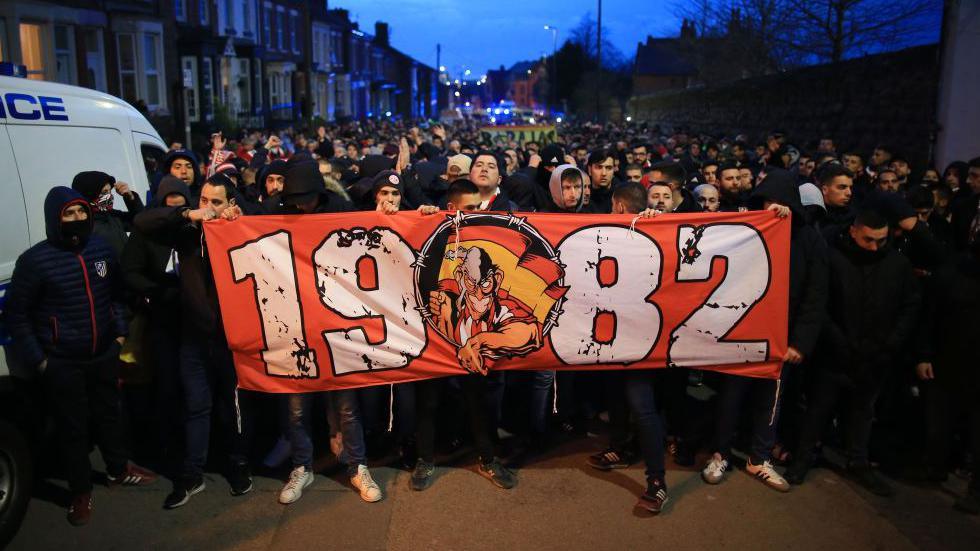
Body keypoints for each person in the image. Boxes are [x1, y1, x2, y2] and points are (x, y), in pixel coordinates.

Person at [4, 187, 157, 526]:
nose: (77, 219)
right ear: (54, 219)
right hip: (62, 362)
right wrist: (40, 361)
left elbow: (117, 295)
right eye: (68, 214)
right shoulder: (35, 261)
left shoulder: (100, 249)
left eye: (81, 212)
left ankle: (118, 470)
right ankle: (80, 490)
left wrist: (117, 334)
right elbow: (17, 316)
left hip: (103, 352)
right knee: (72, 430)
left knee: (110, 416)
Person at [701, 169, 825, 493]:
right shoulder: (743, 227)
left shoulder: (809, 239)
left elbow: (815, 294)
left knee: (771, 401)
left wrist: (800, 342)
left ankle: (759, 457)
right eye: (767, 200)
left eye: (780, 202)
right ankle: (721, 453)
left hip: (781, 337)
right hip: (741, 331)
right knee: (731, 396)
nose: (774, 206)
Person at [135, 173, 253, 509]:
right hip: (193, 338)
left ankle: (239, 465)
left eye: (216, 202)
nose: (208, 207)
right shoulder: (186, 231)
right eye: (203, 200)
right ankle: (192, 473)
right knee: (196, 405)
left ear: (231, 203)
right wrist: (187, 214)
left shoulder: (239, 228)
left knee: (233, 408)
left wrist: (241, 219)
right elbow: (142, 222)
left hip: (231, 339)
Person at [785, 210, 920, 497]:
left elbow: (910, 307)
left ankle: (858, 461)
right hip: (835, 354)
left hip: (876, 356)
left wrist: (890, 344)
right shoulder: (834, 260)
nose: (875, 247)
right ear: (855, 232)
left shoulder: (898, 264)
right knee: (818, 410)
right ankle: (802, 460)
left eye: (881, 240)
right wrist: (838, 341)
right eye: (869, 240)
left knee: (862, 413)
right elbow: (820, 302)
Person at [589, 182, 671, 513]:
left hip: (638, 337)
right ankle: (621, 448)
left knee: (642, 403)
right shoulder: (615, 230)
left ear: (620, 208)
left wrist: (656, 219)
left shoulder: (655, 227)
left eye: (612, 207)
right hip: (613, 333)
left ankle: (657, 481)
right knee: (617, 397)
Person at [915, 227, 980, 514]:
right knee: (939, 423)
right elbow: (930, 315)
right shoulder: (951, 273)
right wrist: (924, 355)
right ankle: (934, 466)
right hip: (947, 361)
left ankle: (976, 490)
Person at [587, 149, 617, 213]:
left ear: (614, 170)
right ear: (589, 170)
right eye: (599, 167)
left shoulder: (621, 195)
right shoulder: (582, 196)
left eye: (608, 168)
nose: (604, 173)